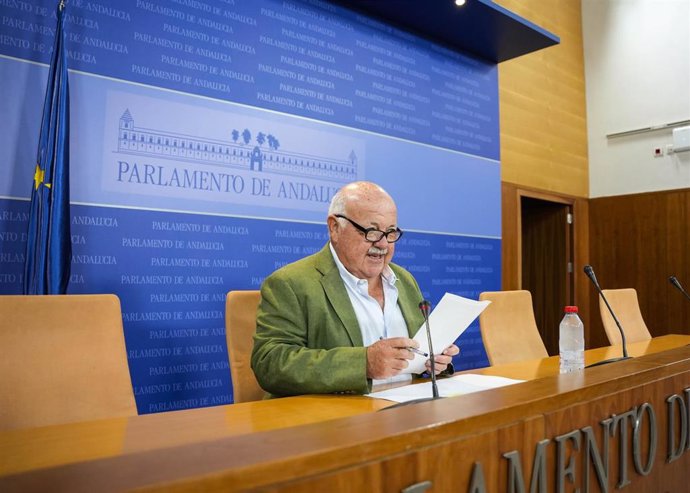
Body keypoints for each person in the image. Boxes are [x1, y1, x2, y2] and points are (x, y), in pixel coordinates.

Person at [251, 181, 459, 397]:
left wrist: (434, 361)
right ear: (335, 228)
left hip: (408, 411)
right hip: (336, 420)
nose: (383, 244)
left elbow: (419, 353)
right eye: (372, 231)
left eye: (390, 232)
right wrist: (364, 363)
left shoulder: (404, 280)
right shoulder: (290, 283)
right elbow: (270, 363)